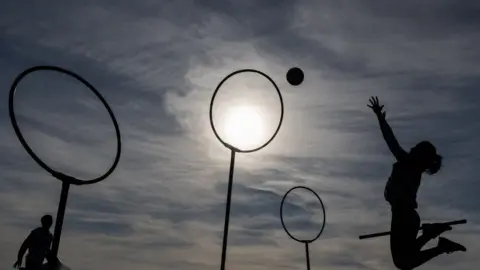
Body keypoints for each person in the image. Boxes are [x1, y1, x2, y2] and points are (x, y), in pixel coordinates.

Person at [368, 96, 466, 270]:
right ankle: (434, 236)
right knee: (406, 259)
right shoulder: (414, 167)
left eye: (415, 148)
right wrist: (380, 118)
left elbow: (390, 141)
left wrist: (380, 118)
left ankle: (435, 238)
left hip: (403, 215)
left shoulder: (408, 164)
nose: (411, 148)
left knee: (403, 261)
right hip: (406, 216)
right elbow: (391, 141)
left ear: (418, 153)